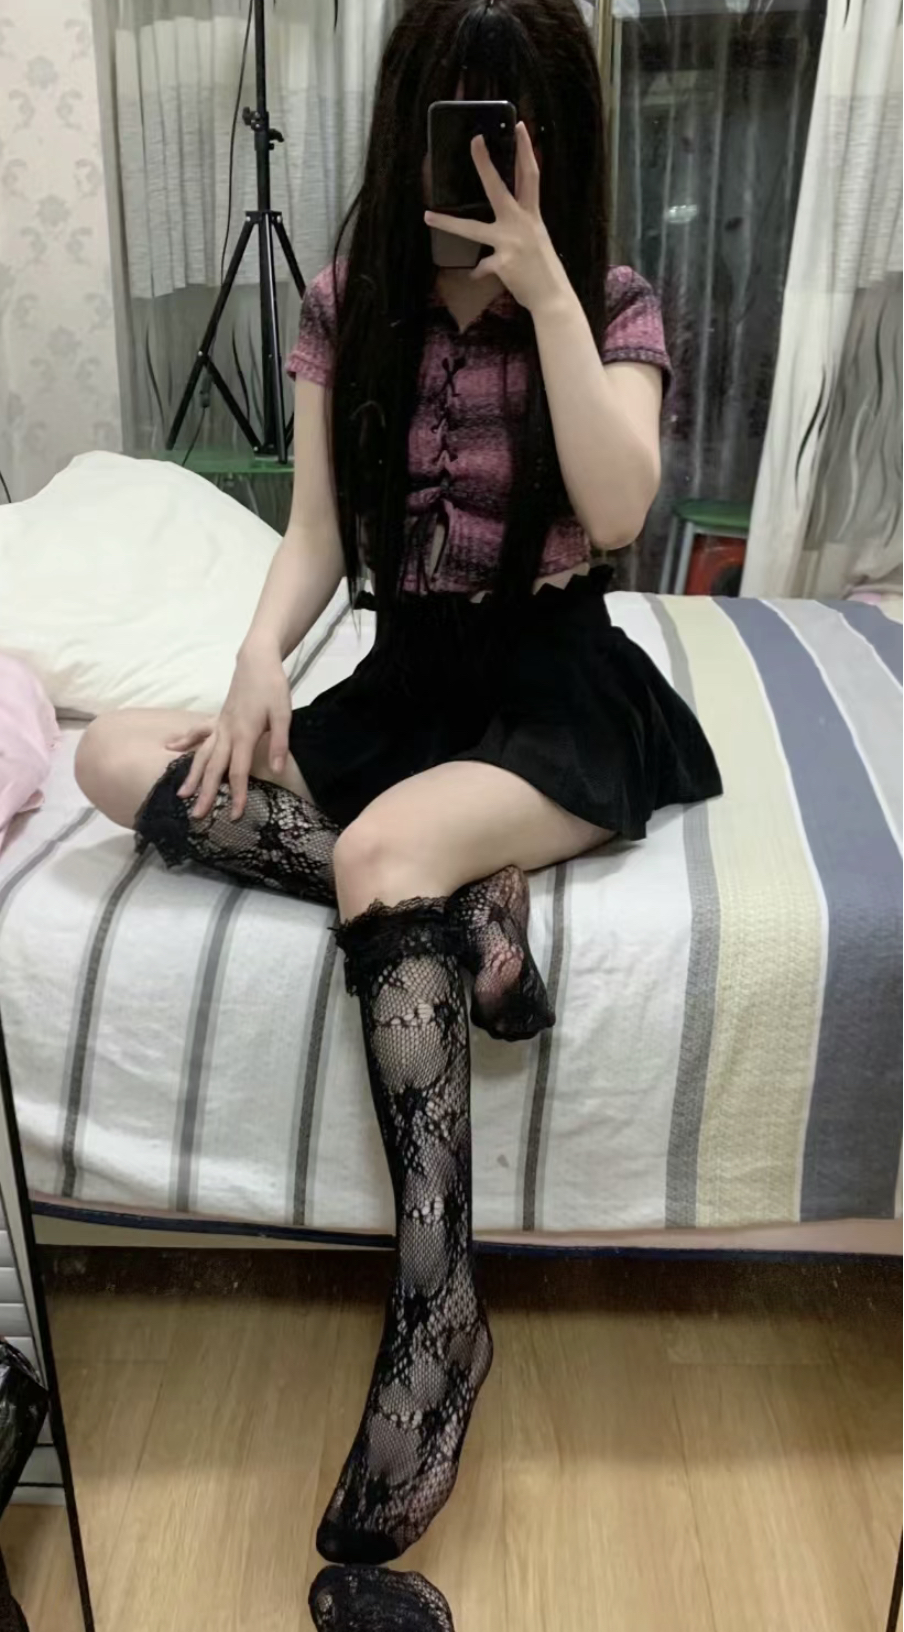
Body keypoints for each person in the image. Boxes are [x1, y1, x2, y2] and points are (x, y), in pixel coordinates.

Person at [76, 0, 721, 1570]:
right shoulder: (348, 298)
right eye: (453, 115)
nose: (480, 154)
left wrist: (548, 290)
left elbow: (620, 512)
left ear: (557, 131)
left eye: (510, 120)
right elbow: (315, 536)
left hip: (558, 686)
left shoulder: (610, 300)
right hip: (406, 682)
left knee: (377, 857)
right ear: (407, 119)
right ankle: (465, 894)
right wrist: (256, 657)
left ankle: (441, 1316)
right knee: (109, 754)